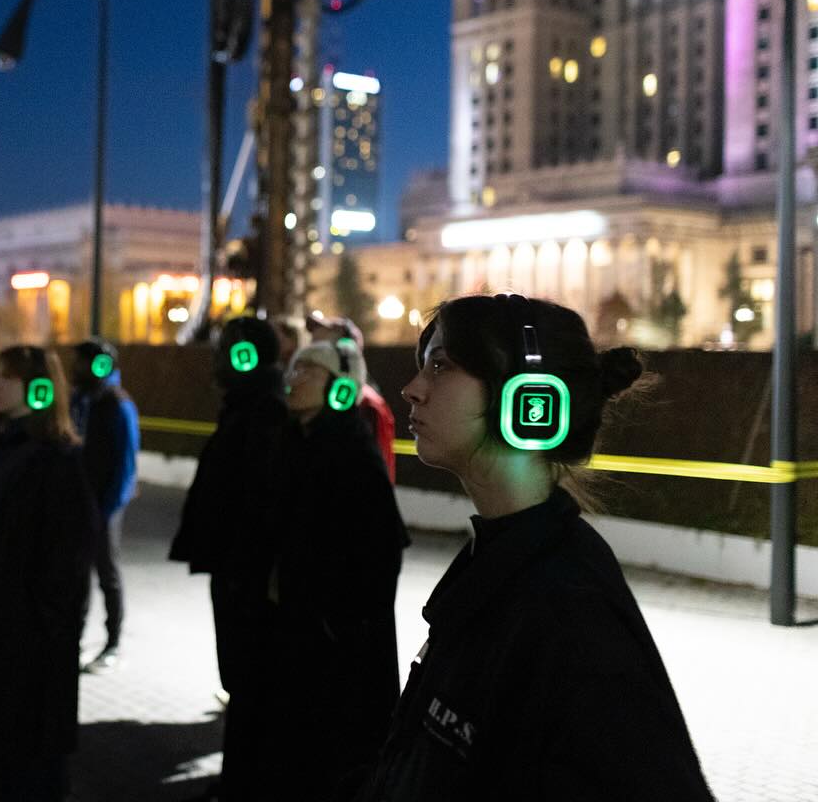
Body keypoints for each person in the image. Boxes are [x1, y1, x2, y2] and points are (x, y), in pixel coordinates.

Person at [356, 293, 713, 799]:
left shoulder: (571, 610)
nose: (411, 389)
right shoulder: (500, 562)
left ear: (528, 398)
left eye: (440, 366)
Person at [277, 338, 408, 800]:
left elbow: (380, 557)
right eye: (294, 369)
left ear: (341, 387)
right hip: (306, 634)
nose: (293, 380)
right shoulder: (300, 443)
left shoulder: (352, 454)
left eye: (307, 371)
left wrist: (337, 621)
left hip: (338, 650)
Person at [170, 316, 289, 801]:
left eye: (227, 350)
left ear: (246, 357)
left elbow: (258, 502)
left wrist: (243, 569)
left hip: (246, 578)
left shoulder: (262, 414)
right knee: (242, 681)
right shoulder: (246, 408)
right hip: (237, 572)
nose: (217, 360)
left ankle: (244, 782)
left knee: (248, 682)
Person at [0, 346, 94, 802]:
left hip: (32, 642)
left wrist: (44, 625)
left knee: (32, 761)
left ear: (38, 389)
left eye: (8, 378)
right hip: (7, 630)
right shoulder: (7, 448)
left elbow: (65, 561)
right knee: (9, 754)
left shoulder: (56, 461)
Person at [69, 338, 140, 674]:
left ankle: (112, 644)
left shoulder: (117, 404)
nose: (75, 368)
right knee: (77, 574)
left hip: (103, 507)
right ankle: (74, 637)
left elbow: (126, 465)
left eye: (81, 362)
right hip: (78, 504)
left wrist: (108, 508)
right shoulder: (79, 399)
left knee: (107, 573)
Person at [309, 313, 396, 483]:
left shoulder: (367, 404)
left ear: (346, 352)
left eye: (321, 350)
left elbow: (374, 476)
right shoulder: (318, 397)